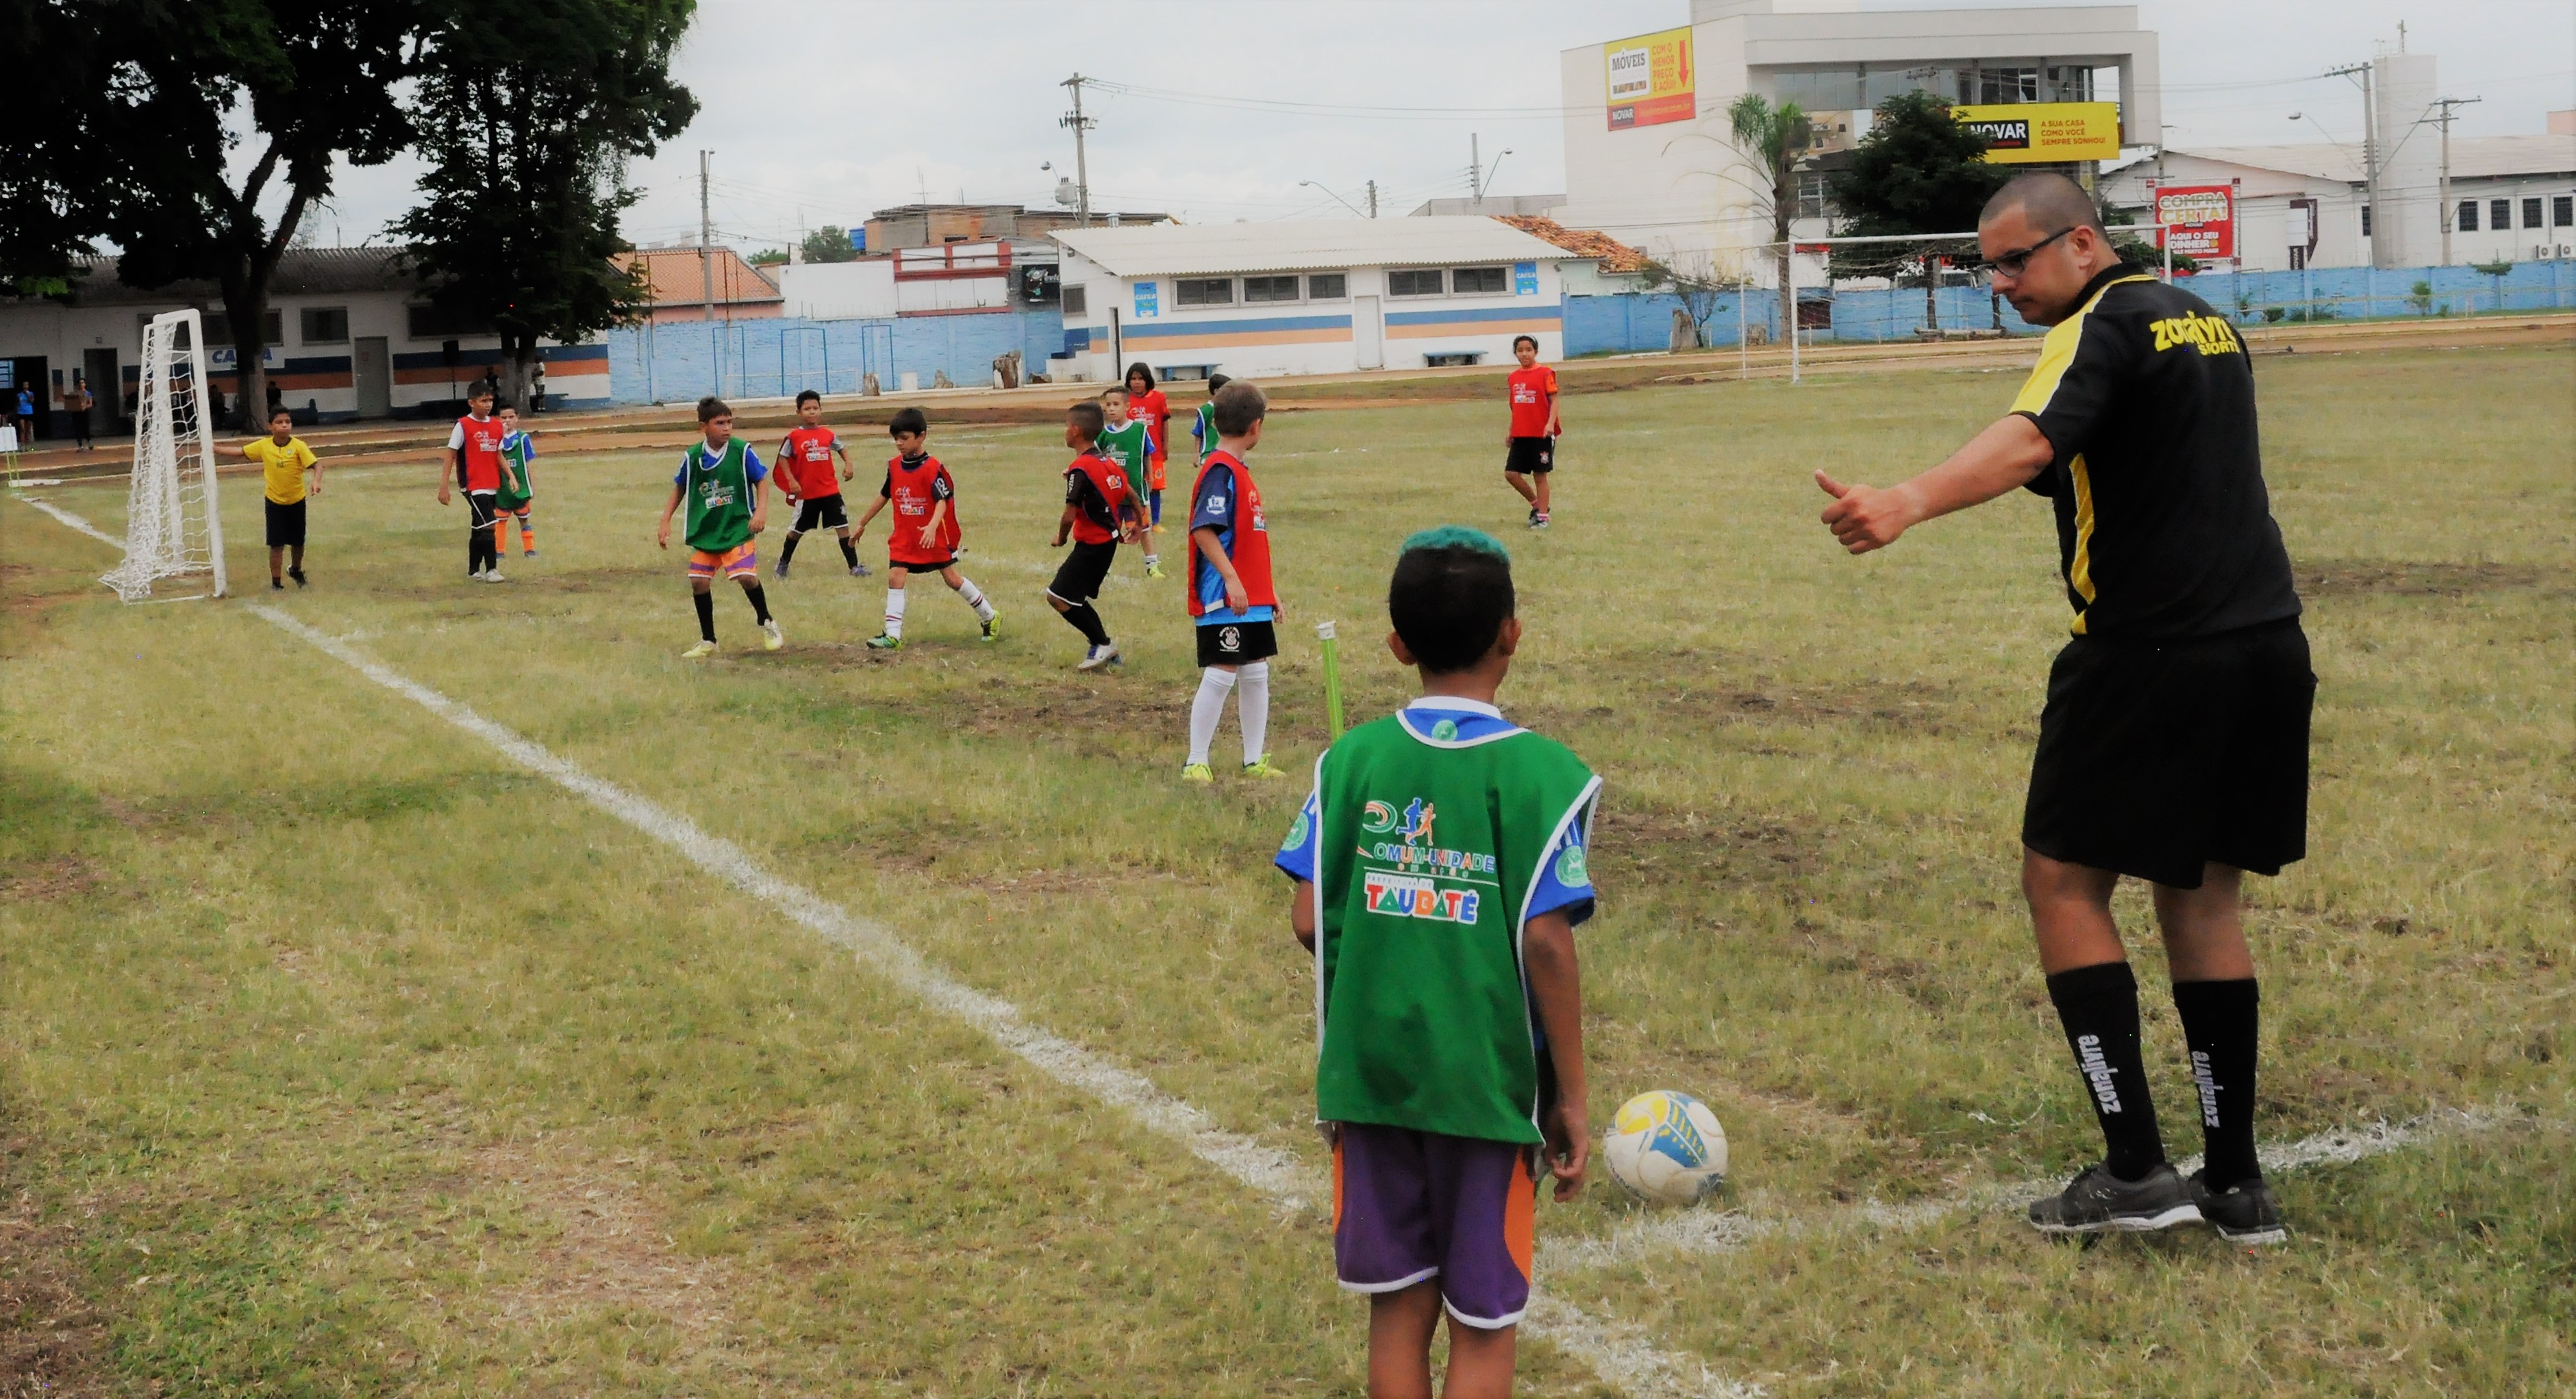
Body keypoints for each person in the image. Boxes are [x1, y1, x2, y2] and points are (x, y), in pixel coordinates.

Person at [1816, 171, 2306, 1244]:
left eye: (2013, 259)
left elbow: (2034, 438)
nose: (1999, 282)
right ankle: (2234, 1180)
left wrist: (1903, 499)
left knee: (2061, 877)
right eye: (1986, 265)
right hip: (2265, 643)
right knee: (2202, 895)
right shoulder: (2198, 318)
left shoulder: (2102, 320)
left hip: (2150, 650)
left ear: (2082, 244)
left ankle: (2136, 1168)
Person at [1275, 526, 1598, 1399]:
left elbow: (1310, 918)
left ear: (1395, 645)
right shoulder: (1541, 773)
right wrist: (1568, 1096)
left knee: (1397, 1309)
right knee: (1484, 1327)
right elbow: (1543, 941)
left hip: (1370, 1080)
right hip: (1485, 1091)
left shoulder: (1348, 762)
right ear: (1512, 632)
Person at [1180, 379, 1282, 783]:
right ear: (1256, 427)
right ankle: (1196, 759)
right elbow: (1203, 529)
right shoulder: (1220, 471)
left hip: (1249, 597)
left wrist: (1267, 593)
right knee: (1222, 670)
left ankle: (1253, 758)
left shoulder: (1238, 470)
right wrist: (1231, 580)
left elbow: (1249, 539)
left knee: (1256, 670)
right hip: (1224, 597)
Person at [849, 406, 999, 649]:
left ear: (922, 436)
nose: (899, 443)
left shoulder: (932, 468)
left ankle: (990, 617)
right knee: (895, 576)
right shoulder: (895, 466)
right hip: (905, 537)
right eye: (895, 438)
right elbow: (884, 495)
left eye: (904, 438)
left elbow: (943, 500)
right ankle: (893, 635)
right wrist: (862, 523)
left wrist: (931, 526)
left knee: (952, 579)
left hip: (933, 537)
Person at [657, 396, 783, 658]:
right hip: (708, 532)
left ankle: (767, 621)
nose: (727, 428)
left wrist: (760, 511)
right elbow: (680, 487)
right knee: (698, 582)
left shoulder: (741, 450)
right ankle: (709, 641)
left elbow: (761, 480)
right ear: (703, 427)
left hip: (737, 528)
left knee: (746, 577)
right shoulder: (692, 457)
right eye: (720, 423)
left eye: (729, 422)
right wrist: (665, 520)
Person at [1047, 399, 1144, 671]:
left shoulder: (1081, 468)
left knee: (1058, 597)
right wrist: (1139, 520)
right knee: (1073, 597)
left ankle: (1102, 644)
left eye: (1067, 426)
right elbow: (1131, 493)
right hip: (1107, 540)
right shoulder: (1106, 461)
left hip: (1094, 544)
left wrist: (1061, 538)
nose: (1065, 431)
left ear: (1076, 430)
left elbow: (1069, 513)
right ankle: (1106, 648)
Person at [772, 389, 867, 580]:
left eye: (815, 408)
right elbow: (782, 458)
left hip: (830, 491)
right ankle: (783, 563)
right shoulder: (794, 437)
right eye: (807, 409)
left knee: (843, 527)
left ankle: (854, 566)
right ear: (799, 412)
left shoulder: (827, 434)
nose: (812, 412)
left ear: (821, 410)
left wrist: (849, 465)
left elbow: (842, 449)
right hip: (807, 494)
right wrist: (791, 480)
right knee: (796, 531)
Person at [228, 405, 319, 590]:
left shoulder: (298, 446)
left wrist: (316, 482)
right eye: (279, 422)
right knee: (276, 544)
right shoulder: (264, 445)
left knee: (298, 542)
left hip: (296, 500)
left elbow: (318, 466)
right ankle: (276, 583)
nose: (284, 425)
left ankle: (295, 569)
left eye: (288, 422)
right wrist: (214, 448)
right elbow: (241, 452)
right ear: (270, 426)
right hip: (274, 502)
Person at [435, 386, 510, 581]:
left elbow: (498, 454)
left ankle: (473, 570)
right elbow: (450, 454)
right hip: (473, 484)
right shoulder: (463, 425)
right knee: (489, 524)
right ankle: (492, 569)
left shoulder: (496, 425)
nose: (488, 405)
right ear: (471, 402)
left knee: (479, 526)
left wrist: (511, 476)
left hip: (491, 482)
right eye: (483, 401)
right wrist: (444, 487)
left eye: (490, 401)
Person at [1095, 386, 1162, 579]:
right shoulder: (1105, 434)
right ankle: (1102, 568)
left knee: (1144, 529)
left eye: (1116, 404)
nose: (1111, 409)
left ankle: (1153, 566)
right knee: (1108, 532)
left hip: (1136, 492)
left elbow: (1147, 456)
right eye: (1108, 405)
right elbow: (1095, 458)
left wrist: (1150, 480)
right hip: (1111, 494)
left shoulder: (1140, 430)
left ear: (1127, 406)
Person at [1501, 335, 1560, 530]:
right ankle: (1537, 505)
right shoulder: (1513, 377)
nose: (1524, 353)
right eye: (1520, 350)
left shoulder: (1545, 373)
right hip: (1521, 433)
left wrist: (1550, 424)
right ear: (1515, 353)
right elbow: (1515, 406)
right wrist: (1511, 430)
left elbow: (1554, 401)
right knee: (1511, 474)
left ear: (1535, 352)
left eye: (1529, 349)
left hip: (1541, 433)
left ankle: (1543, 517)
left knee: (1540, 475)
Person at [1123, 362, 1171, 532]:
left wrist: (1165, 446)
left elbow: (1165, 423)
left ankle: (1156, 522)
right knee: (1131, 486)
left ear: (1147, 380)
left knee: (1155, 487)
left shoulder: (1159, 398)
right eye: (1133, 379)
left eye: (1140, 379)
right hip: (1134, 453)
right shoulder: (1125, 400)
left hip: (1155, 452)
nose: (1136, 382)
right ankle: (1131, 520)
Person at [492, 405, 538, 558]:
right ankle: (499, 551)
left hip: (521, 486)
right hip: (502, 486)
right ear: (498, 419)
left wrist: (531, 484)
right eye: (504, 418)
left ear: (517, 418)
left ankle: (529, 549)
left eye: (511, 417)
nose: (508, 421)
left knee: (524, 518)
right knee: (500, 520)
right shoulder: (496, 438)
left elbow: (529, 462)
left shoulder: (523, 438)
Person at [1186, 372, 1233, 467]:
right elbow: (1198, 433)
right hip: (1209, 454)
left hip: (1226, 453)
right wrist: (1197, 454)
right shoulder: (1205, 411)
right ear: (1216, 391)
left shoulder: (1229, 408)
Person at [67, 379, 95, 451]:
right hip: (76, 413)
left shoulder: (88, 393)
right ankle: (80, 445)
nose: (81, 384)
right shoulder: (74, 393)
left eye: (83, 383)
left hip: (84, 412)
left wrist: (85, 407)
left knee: (86, 428)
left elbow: (90, 404)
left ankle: (89, 442)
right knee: (77, 429)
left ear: (85, 384)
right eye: (80, 383)